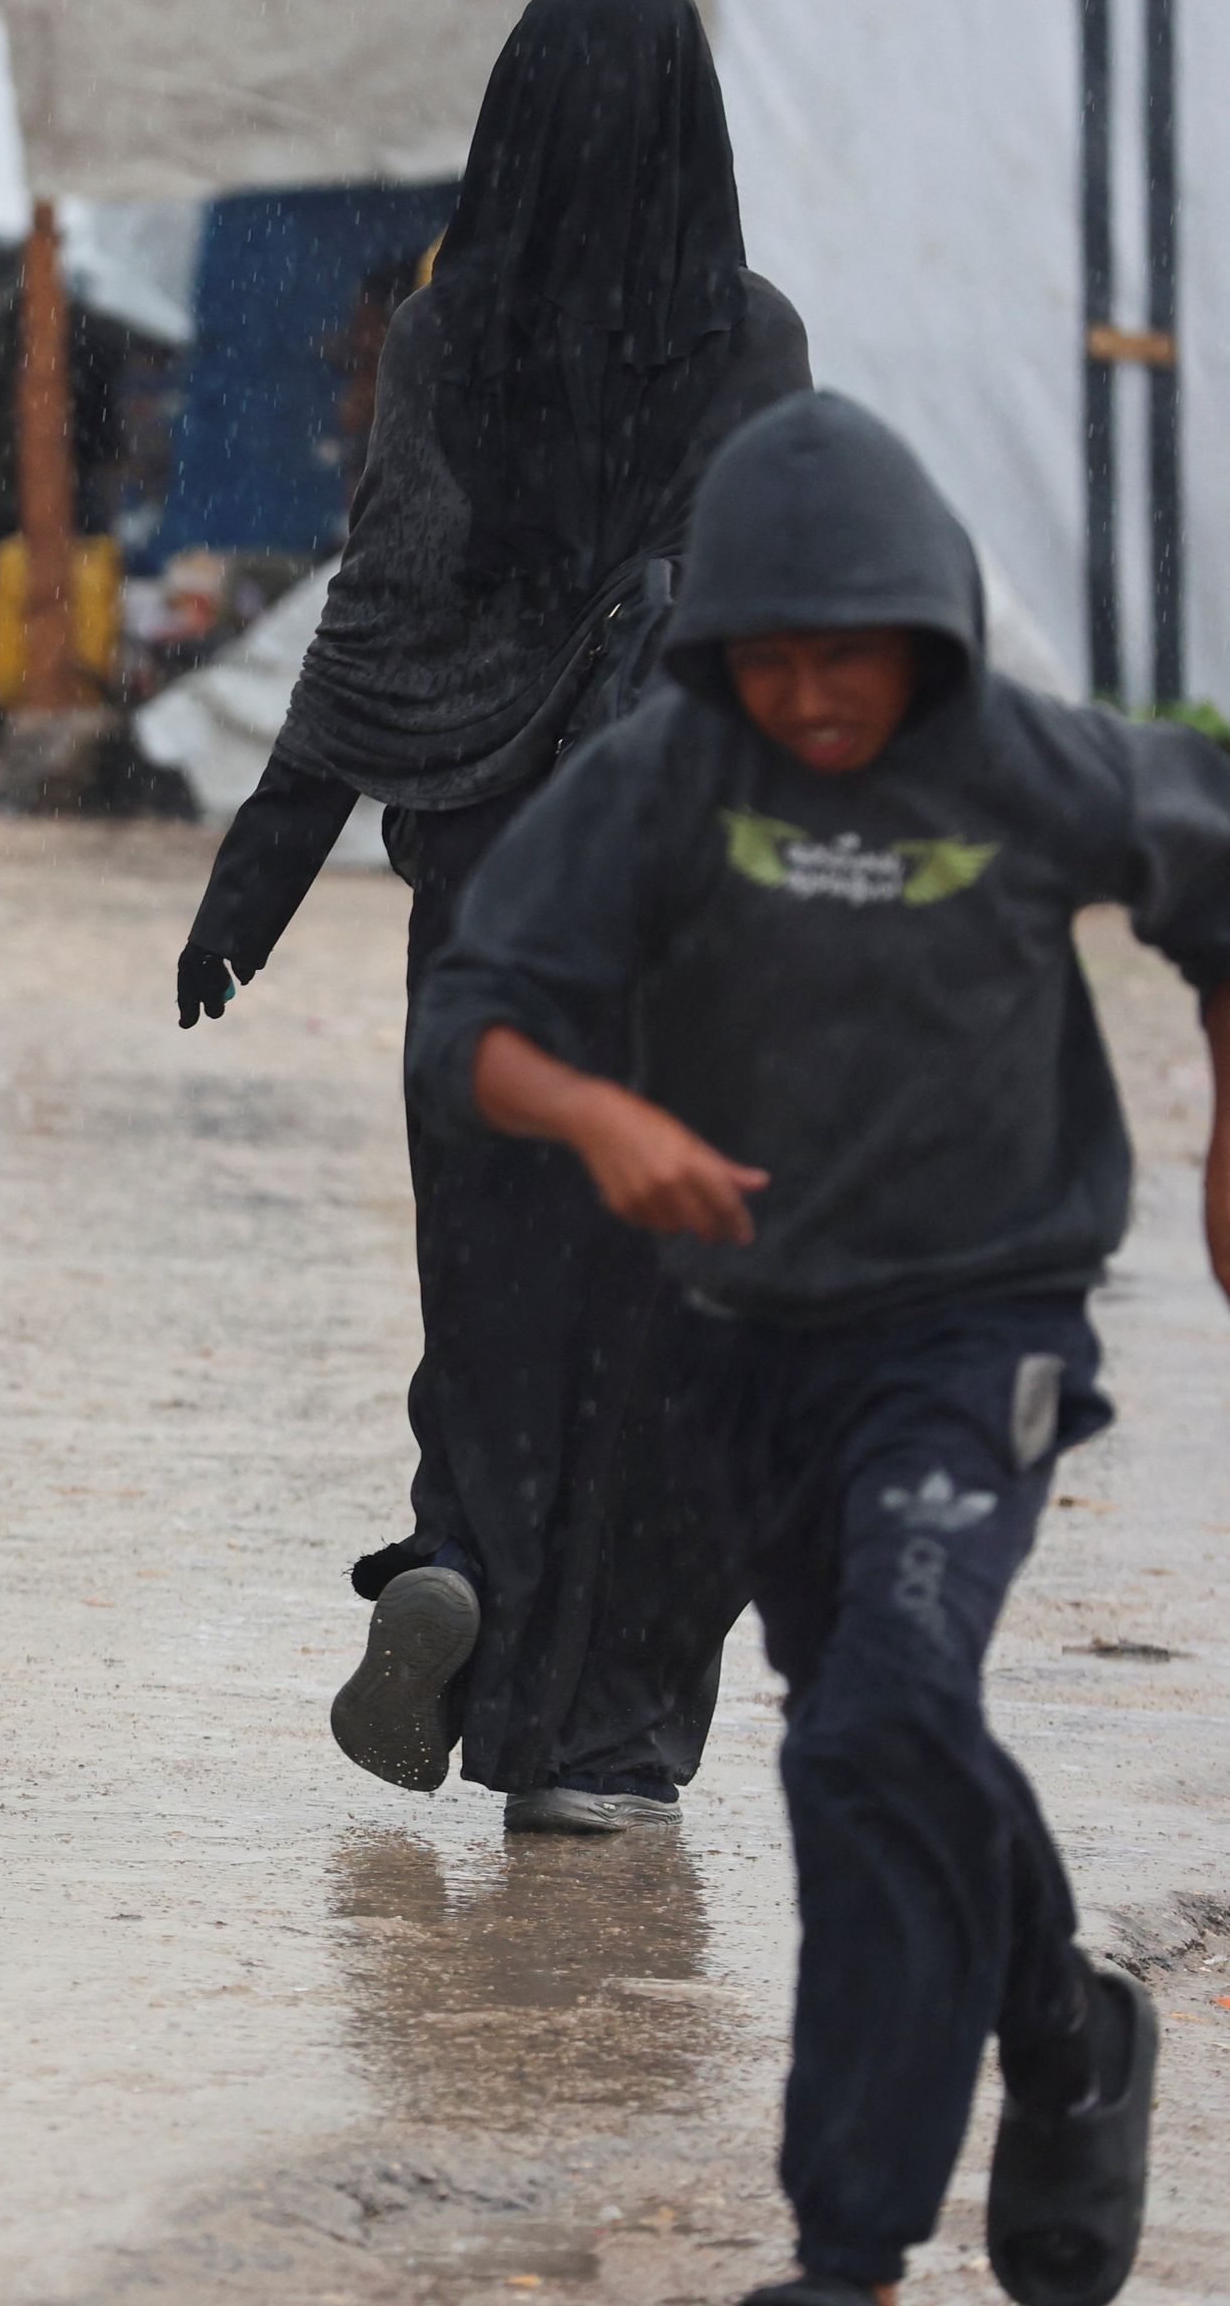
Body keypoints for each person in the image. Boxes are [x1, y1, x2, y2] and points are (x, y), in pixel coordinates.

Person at [410, 389, 1228, 2306]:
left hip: (975, 1331)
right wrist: (600, 1116)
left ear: (928, 631)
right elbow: (474, 1020)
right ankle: (1068, 2032)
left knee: (870, 1725)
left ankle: (847, 2251)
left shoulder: (1024, 761)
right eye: (769, 661)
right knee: (891, 1727)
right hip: (741, 1345)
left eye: (847, 656)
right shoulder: (674, 773)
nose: (811, 698)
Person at [176, 0, 812, 1832]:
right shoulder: (753, 340)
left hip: (487, 896)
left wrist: (254, 878)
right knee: (670, 1306)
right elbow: (780, 623)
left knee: (498, 1279)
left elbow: (383, 611)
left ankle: (463, 1558)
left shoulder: (449, 334)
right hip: (685, 909)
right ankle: (600, 1740)